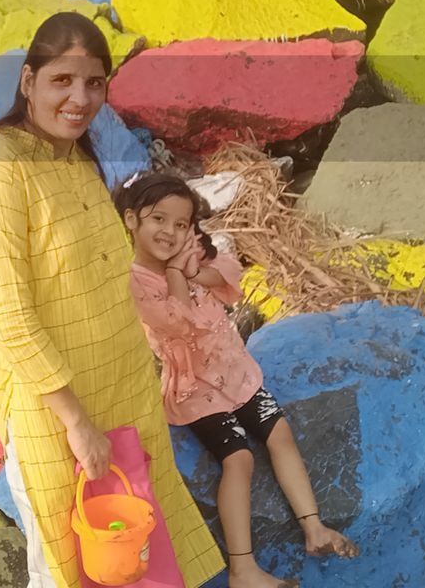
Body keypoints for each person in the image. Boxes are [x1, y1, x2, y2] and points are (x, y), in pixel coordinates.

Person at [0, 13, 224, 588]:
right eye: (62, 82)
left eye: (94, 84)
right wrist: (75, 422)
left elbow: (104, 275)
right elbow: (6, 315)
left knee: (136, 554)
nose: (80, 99)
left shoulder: (74, 156)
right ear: (28, 82)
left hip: (125, 389)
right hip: (57, 412)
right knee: (68, 563)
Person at [114, 173, 360, 588]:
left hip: (237, 373)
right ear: (131, 220)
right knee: (238, 459)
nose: (170, 232)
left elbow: (229, 273)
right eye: (159, 219)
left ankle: (314, 527)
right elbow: (178, 323)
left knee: (280, 433)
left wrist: (193, 272)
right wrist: (178, 273)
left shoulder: (191, 261)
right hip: (196, 390)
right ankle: (243, 569)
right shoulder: (135, 283)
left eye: (181, 224)